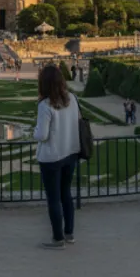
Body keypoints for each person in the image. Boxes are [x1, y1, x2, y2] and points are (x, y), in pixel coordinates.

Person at [34, 64, 81, 250]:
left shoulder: (45, 105)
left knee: (53, 198)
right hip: (70, 152)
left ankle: (57, 238)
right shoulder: (73, 99)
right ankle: (69, 233)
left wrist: (34, 132)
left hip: (52, 157)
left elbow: (42, 135)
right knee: (66, 194)